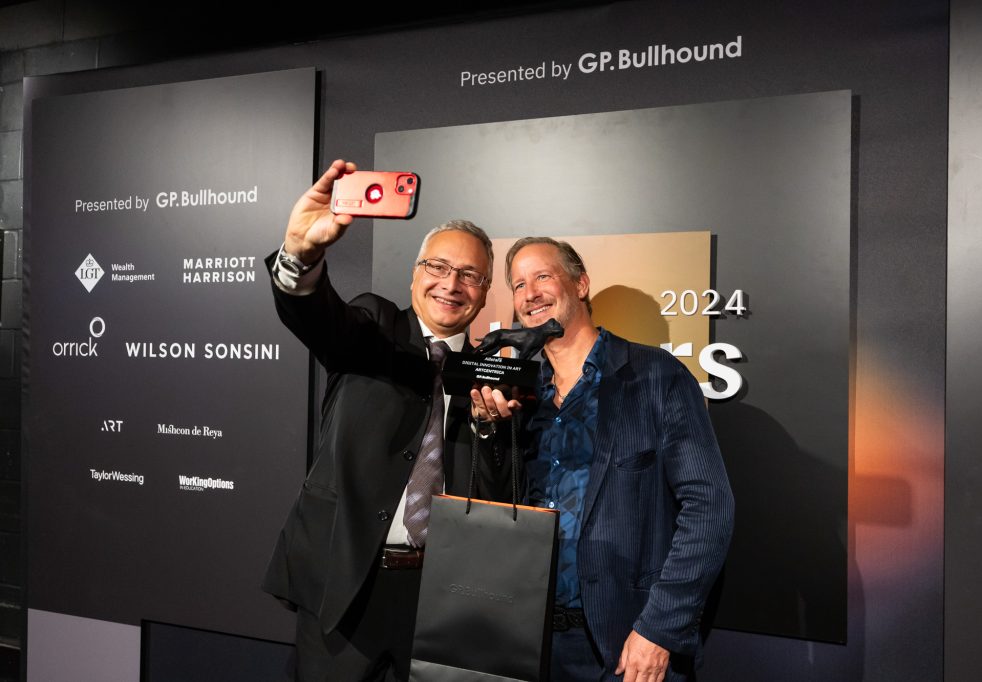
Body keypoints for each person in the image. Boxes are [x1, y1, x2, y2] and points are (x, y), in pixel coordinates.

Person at [261, 159, 519, 681]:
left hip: (443, 597)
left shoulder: (491, 373)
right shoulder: (375, 326)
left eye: (470, 275)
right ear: (415, 273)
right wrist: (300, 255)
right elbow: (318, 316)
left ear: (486, 289)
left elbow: (495, 500)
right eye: (438, 267)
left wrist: (490, 429)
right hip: (346, 587)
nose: (451, 284)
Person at [501, 236, 734, 682]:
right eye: (518, 284)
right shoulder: (521, 395)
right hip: (529, 641)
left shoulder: (656, 375)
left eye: (543, 276)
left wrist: (659, 628)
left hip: (628, 645)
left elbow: (709, 507)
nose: (530, 294)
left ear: (580, 284)